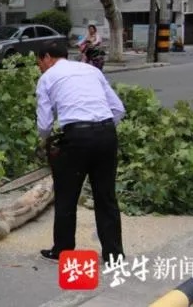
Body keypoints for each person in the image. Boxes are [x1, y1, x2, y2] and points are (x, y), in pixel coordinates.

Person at [35, 40, 126, 264]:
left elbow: (45, 124)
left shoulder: (47, 78)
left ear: (47, 57)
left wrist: (47, 143)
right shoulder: (91, 70)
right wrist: (100, 129)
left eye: (39, 63)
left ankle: (63, 250)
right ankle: (114, 253)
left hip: (76, 138)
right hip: (106, 134)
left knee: (67, 196)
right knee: (106, 197)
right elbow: (118, 109)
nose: (40, 67)